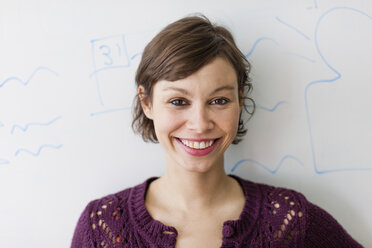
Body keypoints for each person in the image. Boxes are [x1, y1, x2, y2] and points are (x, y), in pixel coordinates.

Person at [71, 15, 362, 248]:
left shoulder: (290, 220)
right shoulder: (102, 226)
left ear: (241, 101)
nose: (199, 123)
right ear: (146, 103)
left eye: (219, 100)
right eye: (178, 101)